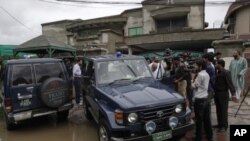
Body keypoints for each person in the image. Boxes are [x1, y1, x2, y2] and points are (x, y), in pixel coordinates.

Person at [192, 60, 213, 141]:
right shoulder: (206, 74)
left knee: (199, 120)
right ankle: (209, 136)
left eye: (196, 65)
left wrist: (192, 80)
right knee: (207, 119)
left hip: (199, 100)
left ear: (200, 66)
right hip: (205, 98)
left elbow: (193, 86)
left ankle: (198, 138)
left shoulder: (200, 75)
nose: (194, 66)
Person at [214, 59, 237, 132]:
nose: (215, 65)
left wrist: (233, 94)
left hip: (223, 94)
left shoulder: (226, 72)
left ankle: (224, 126)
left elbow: (230, 84)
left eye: (216, 64)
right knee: (218, 110)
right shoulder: (218, 72)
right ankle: (219, 124)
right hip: (217, 93)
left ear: (220, 64)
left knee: (223, 110)